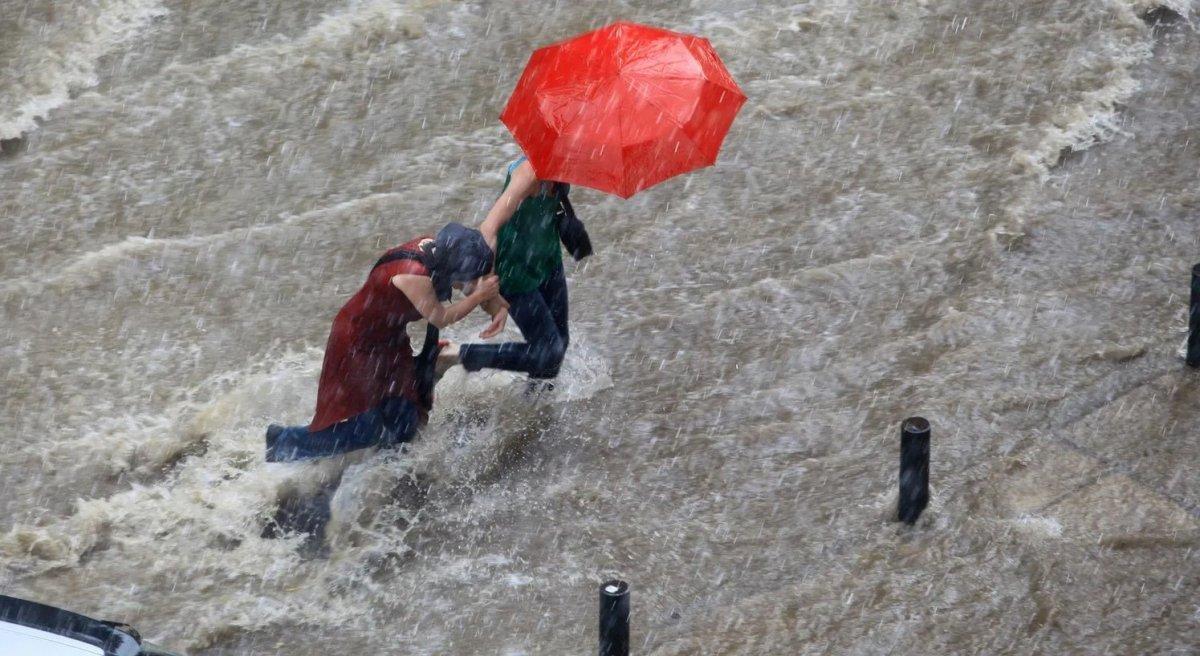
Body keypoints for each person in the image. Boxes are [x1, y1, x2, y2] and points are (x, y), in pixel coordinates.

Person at [265, 223, 505, 462]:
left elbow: (471, 286)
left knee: (406, 416)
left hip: (388, 337)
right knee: (367, 427)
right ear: (454, 270)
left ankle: (382, 472)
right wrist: (478, 297)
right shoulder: (412, 274)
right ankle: (284, 442)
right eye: (468, 278)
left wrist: (496, 307)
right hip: (357, 342)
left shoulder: (442, 251)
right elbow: (441, 317)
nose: (470, 283)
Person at [441, 156, 574, 381]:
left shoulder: (564, 163)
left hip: (548, 260)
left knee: (557, 347)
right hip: (515, 272)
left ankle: (536, 409)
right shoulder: (528, 173)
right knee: (549, 353)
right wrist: (490, 294)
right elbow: (488, 229)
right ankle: (456, 355)